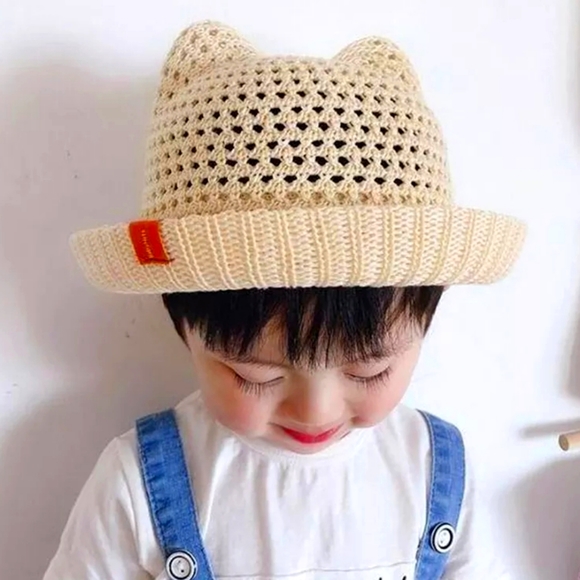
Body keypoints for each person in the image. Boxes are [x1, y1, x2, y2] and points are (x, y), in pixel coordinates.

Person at [44, 20, 526, 580]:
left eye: (370, 370)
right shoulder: (138, 484)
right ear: (183, 324)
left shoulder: (435, 470)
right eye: (256, 375)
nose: (316, 411)